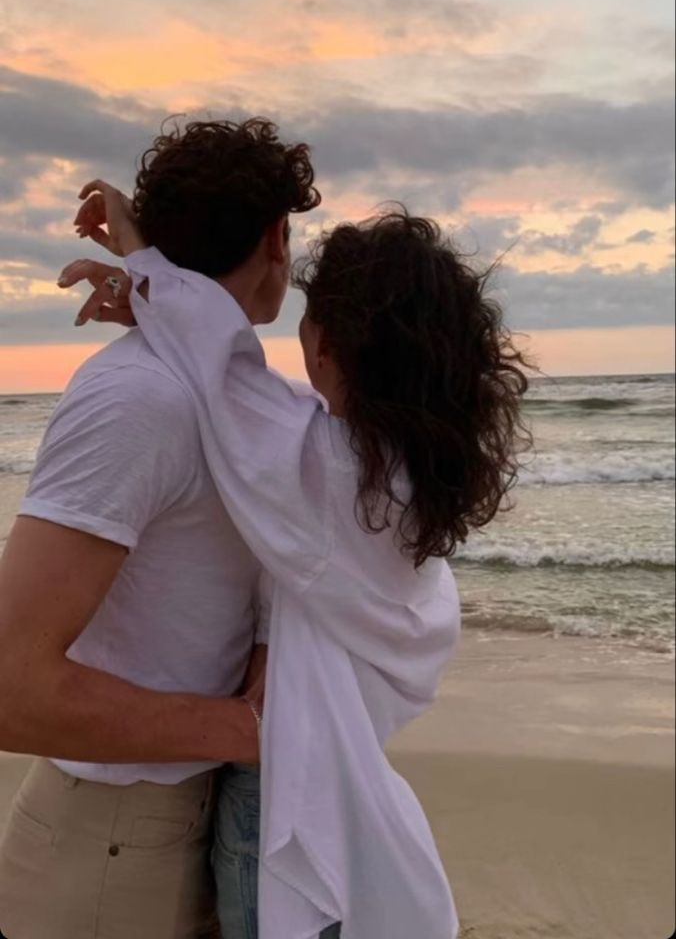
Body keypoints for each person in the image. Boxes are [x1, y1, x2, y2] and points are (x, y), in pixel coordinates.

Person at [64, 181, 531, 939]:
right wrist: (150, 299)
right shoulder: (404, 474)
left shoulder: (326, 473)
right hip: (345, 767)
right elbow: (259, 403)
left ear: (325, 346)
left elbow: (229, 377)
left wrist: (143, 262)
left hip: (281, 793)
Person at [0, 118, 321, 939]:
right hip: (107, 837)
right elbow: (8, 681)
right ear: (276, 238)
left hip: (197, 819)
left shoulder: (232, 398)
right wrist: (251, 729)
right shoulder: (139, 399)